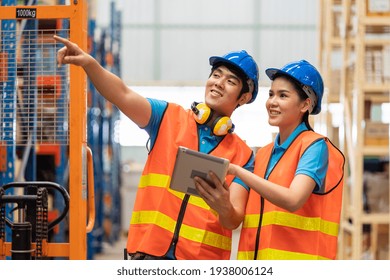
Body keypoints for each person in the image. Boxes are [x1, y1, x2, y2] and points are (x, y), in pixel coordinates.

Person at [53, 35, 259, 260]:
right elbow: (122, 94)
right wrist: (89, 64)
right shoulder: (167, 117)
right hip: (148, 253)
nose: (218, 82)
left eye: (230, 81)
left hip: (200, 261)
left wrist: (224, 206)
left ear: (244, 97)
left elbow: (233, 219)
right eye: (216, 75)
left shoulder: (243, 155)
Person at [225, 60, 345, 260]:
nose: (272, 102)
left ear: (306, 104)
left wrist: (238, 171)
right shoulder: (263, 154)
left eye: (283, 95)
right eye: (271, 94)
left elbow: (293, 199)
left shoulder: (314, 147)